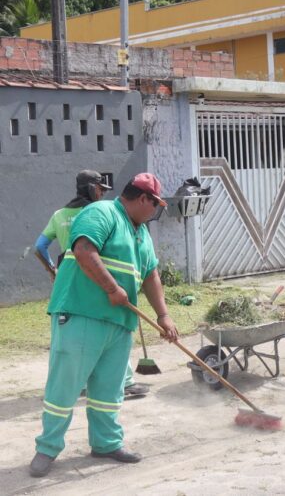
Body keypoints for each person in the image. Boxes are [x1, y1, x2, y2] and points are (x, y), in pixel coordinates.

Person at [30, 172, 178, 477]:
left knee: (109, 390)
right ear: (142, 199)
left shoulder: (141, 232)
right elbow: (84, 251)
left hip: (120, 322)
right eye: (155, 205)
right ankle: (47, 448)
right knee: (65, 385)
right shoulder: (102, 212)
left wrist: (163, 316)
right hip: (83, 313)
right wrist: (112, 288)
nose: (155, 212)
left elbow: (151, 275)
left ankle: (106, 443)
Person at [35, 170, 148, 399]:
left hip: (71, 283)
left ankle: (79, 385)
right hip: (100, 280)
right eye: (100, 189)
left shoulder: (59, 215)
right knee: (113, 330)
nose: (102, 193)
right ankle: (124, 382)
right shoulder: (100, 212)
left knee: (73, 339)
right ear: (93, 189)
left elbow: (40, 246)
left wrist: (53, 271)